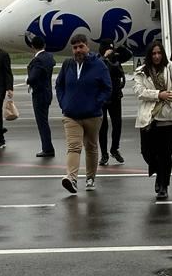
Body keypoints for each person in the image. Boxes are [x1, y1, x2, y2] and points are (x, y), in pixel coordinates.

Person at [55, 33, 112, 193]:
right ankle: (71, 178)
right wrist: (63, 102)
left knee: (91, 147)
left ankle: (90, 177)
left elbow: (107, 88)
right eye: (75, 47)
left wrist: (96, 103)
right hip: (71, 115)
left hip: (92, 115)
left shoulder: (99, 65)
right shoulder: (67, 65)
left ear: (87, 47)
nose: (78, 50)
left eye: (81, 46)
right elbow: (59, 85)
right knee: (73, 147)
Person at [132, 41, 172, 200]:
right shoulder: (141, 71)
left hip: (169, 117)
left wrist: (168, 99)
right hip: (149, 117)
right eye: (153, 53)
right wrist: (158, 95)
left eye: (159, 53)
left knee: (165, 154)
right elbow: (139, 91)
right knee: (146, 152)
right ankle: (158, 171)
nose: (157, 56)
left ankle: (163, 185)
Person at [97, 38, 131, 167]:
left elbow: (128, 55)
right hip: (102, 97)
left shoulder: (116, 59)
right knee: (102, 126)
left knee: (117, 124)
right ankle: (104, 153)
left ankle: (114, 148)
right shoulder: (98, 60)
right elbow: (96, 67)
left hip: (115, 95)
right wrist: (105, 57)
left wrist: (120, 48)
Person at [26, 35, 56, 158]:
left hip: (39, 94)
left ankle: (47, 148)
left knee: (42, 122)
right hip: (47, 92)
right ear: (44, 45)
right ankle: (47, 147)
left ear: (33, 46)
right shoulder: (49, 57)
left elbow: (33, 77)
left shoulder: (38, 60)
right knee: (44, 121)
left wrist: (29, 80)